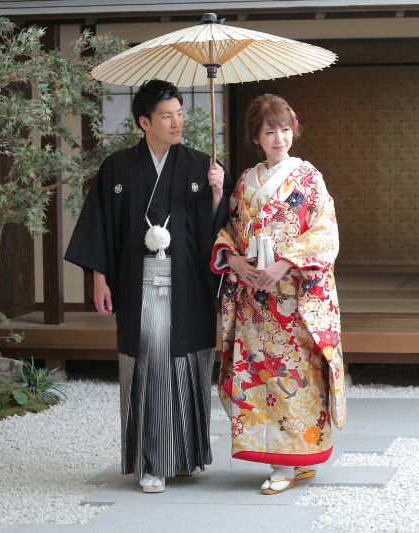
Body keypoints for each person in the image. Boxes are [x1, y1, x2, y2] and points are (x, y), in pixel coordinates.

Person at [64, 80, 234, 493]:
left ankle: (186, 457)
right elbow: (101, 226)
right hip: (140, 285)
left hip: (187, 285)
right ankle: (151, 462)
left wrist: (216, 193)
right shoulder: (117, 167)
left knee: (187, 367)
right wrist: (99, 279)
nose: (177, 122)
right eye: (166, 115)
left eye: (179, 113)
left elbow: (218, 231)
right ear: (144, 122)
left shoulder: (199, 165)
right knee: (149, 368)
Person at [211, 94, 346, 495]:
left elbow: (324, 231)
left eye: (285, 129)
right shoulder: (244, 183)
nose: (280, 137)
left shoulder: (309, 178)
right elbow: (230, 231)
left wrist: (283, 264)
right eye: (270, 131)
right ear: (256, 136)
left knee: (299, 379)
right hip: (254, 297)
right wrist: (235, 262)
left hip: (293, 296)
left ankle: (293, 461)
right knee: (260, 379)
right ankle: (281, 461)